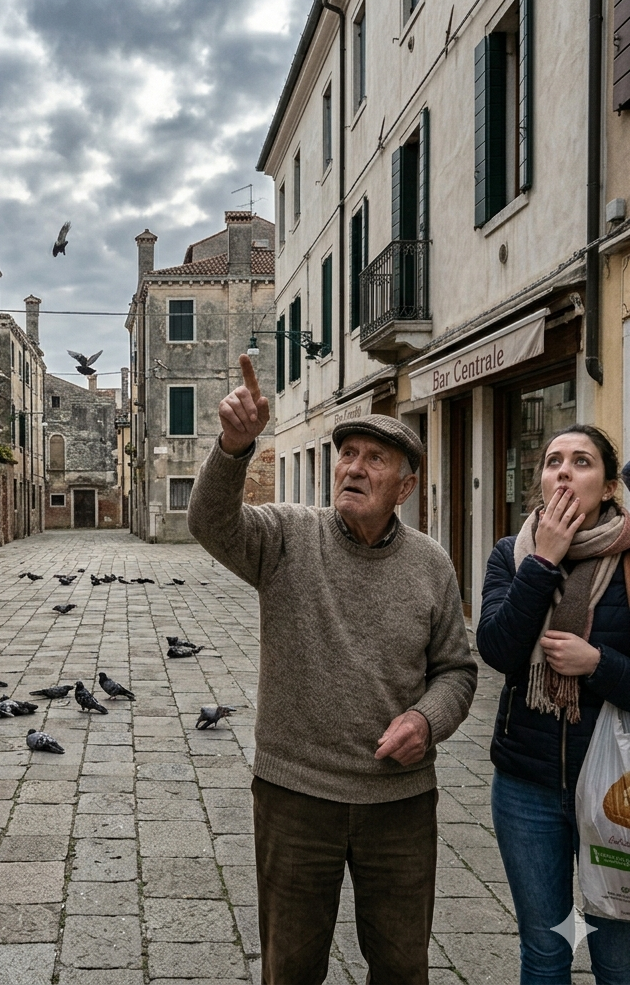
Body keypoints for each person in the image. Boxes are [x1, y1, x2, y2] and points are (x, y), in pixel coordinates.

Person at [187, 356, 478, 985]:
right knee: (290, 967)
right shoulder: (288, 536)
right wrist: (234, 449)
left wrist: (427, 722)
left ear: (405, 488)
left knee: (402, 966)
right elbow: (210, 524)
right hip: (296, 797)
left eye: (375, 458)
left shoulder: (431, 564)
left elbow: (457, 670)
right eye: (347, 453)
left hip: (399, 802)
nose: (353, 466)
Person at [478, 424, 630, 984]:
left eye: (582, 462)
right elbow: (498, 648)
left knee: (618, 957)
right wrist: (543, 562)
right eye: (552, 461)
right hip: (527, 789)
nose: (563, 471)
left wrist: (599, 666)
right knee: (545, 953)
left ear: (610, 486)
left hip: (618, 789)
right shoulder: (511, 555)